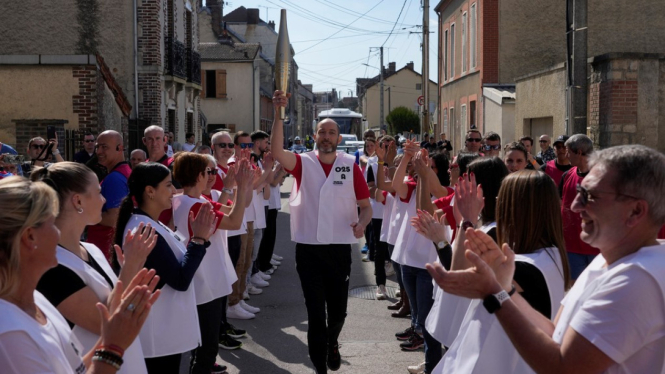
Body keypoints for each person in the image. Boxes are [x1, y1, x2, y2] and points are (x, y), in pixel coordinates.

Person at [427, 144, 665, 374]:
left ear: (635, 211)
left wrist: (493, 294)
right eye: (580, 191)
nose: (574, 205)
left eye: (590, 195)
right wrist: (504, 288)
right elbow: (555, 333)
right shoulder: (609, 261)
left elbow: (562, 367)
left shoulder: (635, 280)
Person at [0, 176, 161, 374]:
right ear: (30, 237)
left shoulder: (36, 301)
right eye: (52, 223)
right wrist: (112, 349)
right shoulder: (9, 333)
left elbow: (73, 368)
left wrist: (112, 339)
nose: (58, 234)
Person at [420, 170, 569, 374]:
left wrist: (467, 221)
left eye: (504, 198)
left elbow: (457, 272)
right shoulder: (553, 253)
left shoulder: (522, 268)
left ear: (519, 209)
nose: (497, 201)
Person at [271, 90, 372, 374]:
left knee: (337, 313)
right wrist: (279, 112)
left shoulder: (350, 166)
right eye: (321, 132)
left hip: (340, 250)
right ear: (314, 136)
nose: (326, 136)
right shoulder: (304, 163)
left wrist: (362, 223)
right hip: (309, 250)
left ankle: (333, 341)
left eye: (331, 132)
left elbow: (365, 207)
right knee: (316, 314)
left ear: (339, 139)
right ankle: (320, 368)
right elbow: (277, 152)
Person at [114, 162, 217, 373]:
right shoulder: (143, 229)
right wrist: (198, 240)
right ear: (150, 191)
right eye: (168, 185)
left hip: (164, 330)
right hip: (158, 336)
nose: (174, 191)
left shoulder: (150, 223)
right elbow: (180, 279)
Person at [171, 152, 252, 374]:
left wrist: (232, 187)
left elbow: (226, 209)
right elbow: (235, 222)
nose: (211, 176)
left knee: (202, 343)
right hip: (205, 282)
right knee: (207, 347)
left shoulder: (183, 199)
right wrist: (243, 187)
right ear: (199, 175)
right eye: (209, 171)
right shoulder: (197, 205)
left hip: (202, 278)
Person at [87, 131, 131, 260]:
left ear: (120, 148)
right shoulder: (123, 172)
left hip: (106, 251)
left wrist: (84, 214)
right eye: (97, 147)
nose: (98, 151)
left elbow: (113, 218)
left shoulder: (115, 178)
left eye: (104, 147)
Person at [559, 134, 597, 280]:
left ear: (579, 152)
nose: (566, 155)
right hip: (571, 247)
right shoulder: (566, 176)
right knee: (575, 291)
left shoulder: (604, 177)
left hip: (597, 247)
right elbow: (559, 206)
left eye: (568, 151)